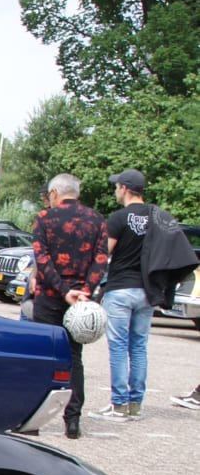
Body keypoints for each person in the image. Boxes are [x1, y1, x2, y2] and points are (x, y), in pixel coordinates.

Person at [31, 173, 108, 438]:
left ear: (54, 193)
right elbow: (101, 260)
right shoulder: (97, 220)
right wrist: (85, 290)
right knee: (74, 358)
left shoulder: (44, 218)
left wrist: (63, 291)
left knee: (43, 356)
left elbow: (42, 259)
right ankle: (72, 420)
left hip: (51, 295)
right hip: (81, 301)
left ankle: (34, 418)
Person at [94, 169, 154, 420]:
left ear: (125, 188)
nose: (115, 191)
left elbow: (103, 254)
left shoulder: (118, 218)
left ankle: (118, 403)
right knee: (139, 346)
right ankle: (135, 403)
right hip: (147, 289)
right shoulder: (157, 216)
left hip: (120, 288)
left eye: (116, 186)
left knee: (118, 347)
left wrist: (92, 283)